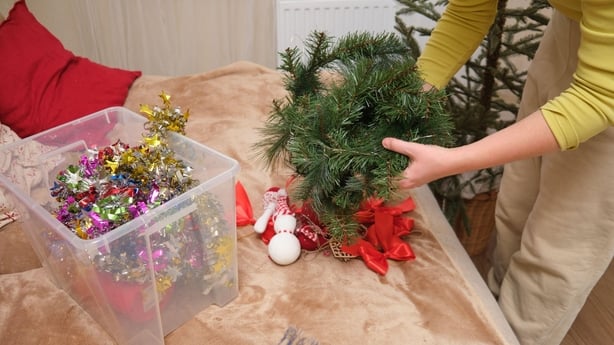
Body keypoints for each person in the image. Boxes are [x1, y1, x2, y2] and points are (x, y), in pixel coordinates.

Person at [382, 1, 614, 345]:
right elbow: (468, 11)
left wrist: (454, 160)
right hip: (574, 25)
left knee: (555, 254)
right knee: (514, 209)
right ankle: (492, 325)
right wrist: (413, 102)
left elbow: (599, 96)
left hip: (604, 84)